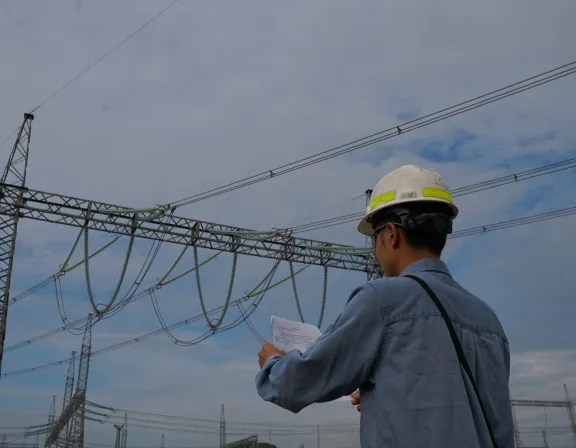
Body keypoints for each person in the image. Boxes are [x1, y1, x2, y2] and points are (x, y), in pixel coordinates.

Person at [255, 164, 514, 447]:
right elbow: (468, 413)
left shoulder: (382, 300)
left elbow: (298, 383)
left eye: (374, 237)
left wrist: (273, 363)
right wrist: (384, 399)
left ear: (391, 234)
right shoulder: (488, 320)